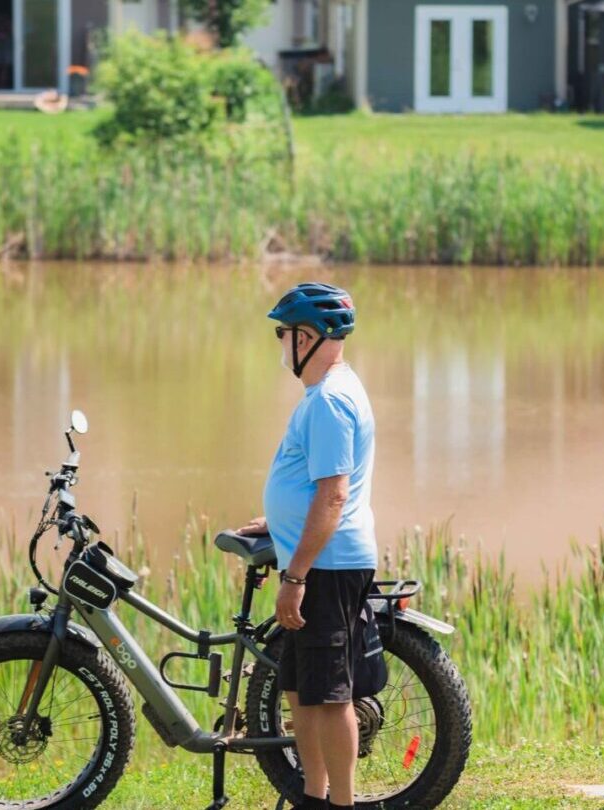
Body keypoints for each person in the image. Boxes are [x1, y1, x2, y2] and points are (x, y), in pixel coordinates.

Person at [235, 282, 374, 810]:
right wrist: (278, 520)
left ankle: (340, 802)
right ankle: (313, 795)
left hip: (327, 567)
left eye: (283, 333)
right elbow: (317, 488)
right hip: (316, 558)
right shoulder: (326, 394)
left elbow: (334, 496)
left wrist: (295, 577)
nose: (280, 344)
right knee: (300, 689)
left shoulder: (331, 402)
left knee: (330, 697)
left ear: (308, 338)